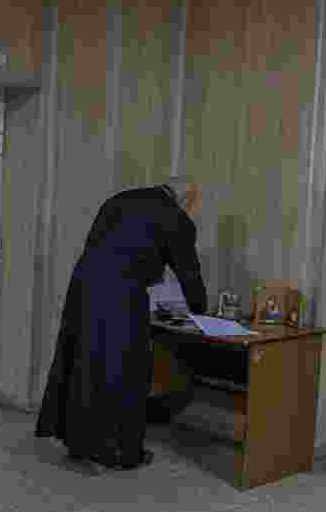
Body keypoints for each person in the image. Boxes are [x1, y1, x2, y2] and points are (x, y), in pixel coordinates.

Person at [34, 178, 208, 471]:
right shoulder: (174, 216)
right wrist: (202, 315)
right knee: (127, 368)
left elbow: (101, 246)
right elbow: (189, 273)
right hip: (121, 293)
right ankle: (122, 452)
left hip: (83, 286)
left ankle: (77, 443)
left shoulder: (120, 199)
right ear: (186, 201)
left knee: (82, 360)